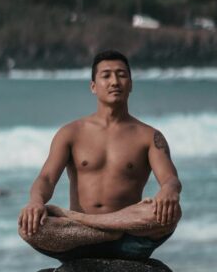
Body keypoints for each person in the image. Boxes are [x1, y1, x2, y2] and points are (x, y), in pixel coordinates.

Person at [18, 50, 181, 261]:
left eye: (121, 75)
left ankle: (101, 229)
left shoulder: (149, 136)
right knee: (27, 226)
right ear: (93, 86)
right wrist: (35, 201)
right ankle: (105, 230)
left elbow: (170, 179)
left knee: (172, 213)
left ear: (131, 84)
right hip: (77, 238)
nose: (115, 81)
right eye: (106, 75)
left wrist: (169, 191)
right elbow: (46, 179)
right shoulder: (71, 133)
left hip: (129, 239)